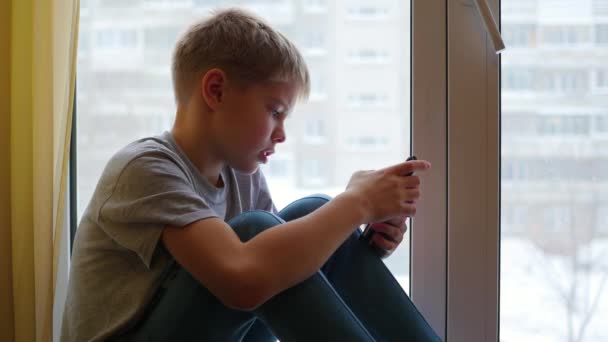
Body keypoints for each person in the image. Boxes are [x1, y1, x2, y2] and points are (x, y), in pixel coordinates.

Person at [61, 7, 440, 342]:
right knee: (260, 233)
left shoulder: (242, 176)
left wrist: (359, 238)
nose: (282, 133)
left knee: (311, 216)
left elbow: (287, 275)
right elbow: (243, 281)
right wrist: (357, 204)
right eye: (275, 111)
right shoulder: (144, 169)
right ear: (216, 91)